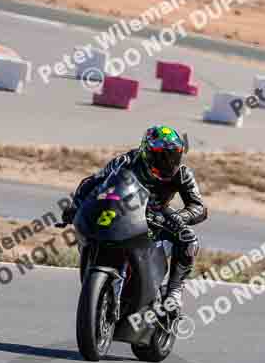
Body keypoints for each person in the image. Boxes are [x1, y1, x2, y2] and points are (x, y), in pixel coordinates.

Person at [61, 125, 208, 313]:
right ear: (147, 152)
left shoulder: (182, 173)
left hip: (158, 213)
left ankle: (174, 290)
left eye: (174, 155)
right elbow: (93, 182)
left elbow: (198, 207)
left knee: (189, 240)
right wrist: (76, 205)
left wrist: (179, 217)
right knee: (91, 226)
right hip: (122, 210)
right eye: (162, 156)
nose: (168, 162)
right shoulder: (125, 161)